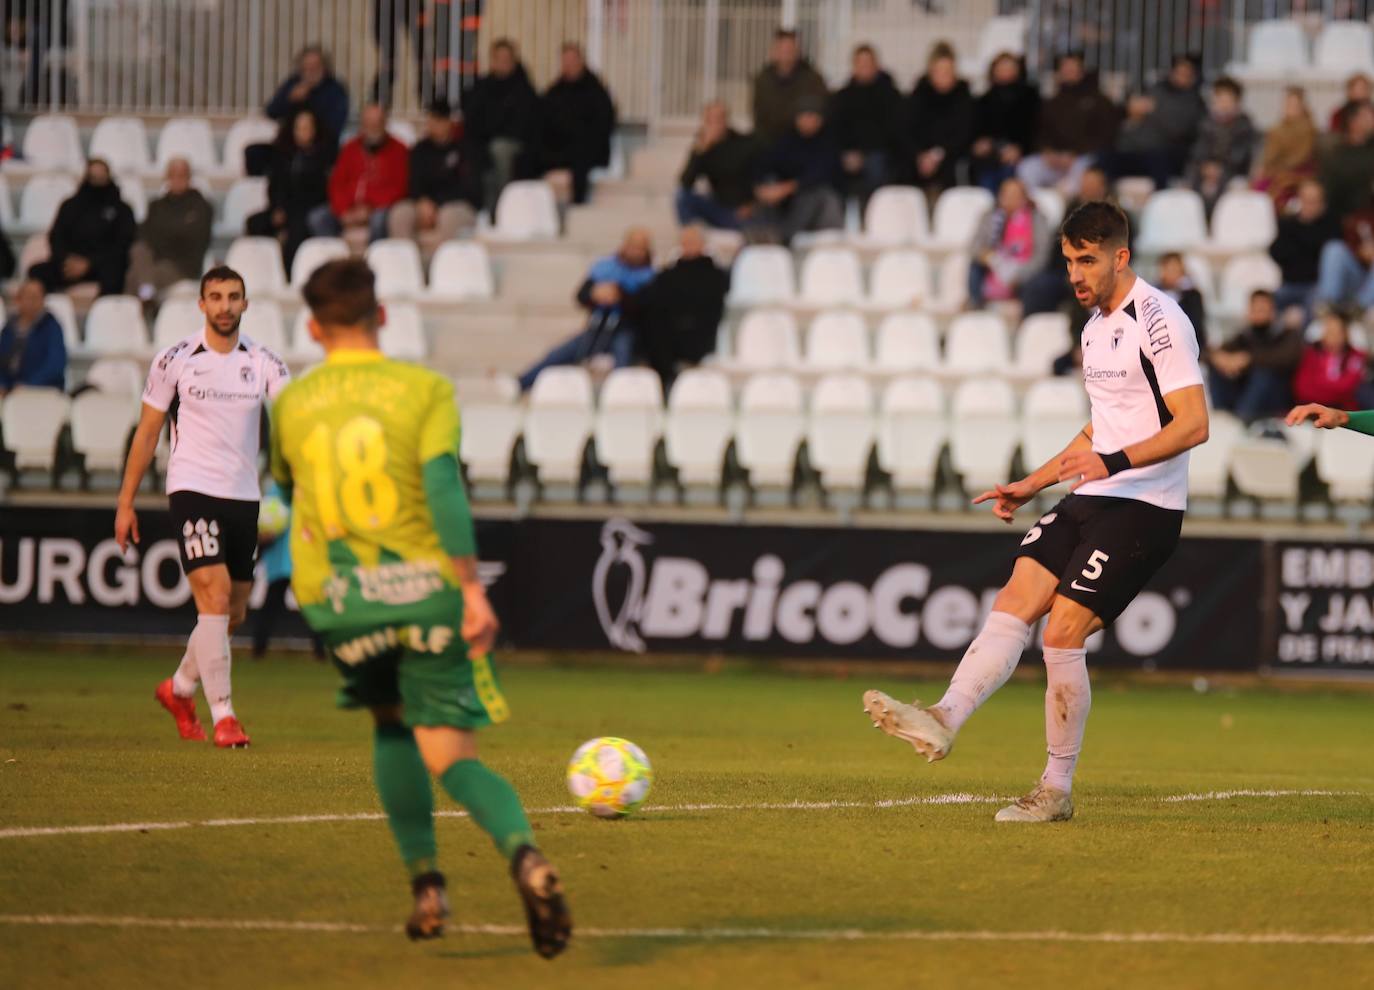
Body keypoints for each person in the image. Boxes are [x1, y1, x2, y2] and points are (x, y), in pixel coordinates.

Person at [864, 201, 1208, 823]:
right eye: (1069, 260)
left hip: (1146, 505)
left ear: (1120, 257)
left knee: (1062, 633)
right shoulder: (1093, 327)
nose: (1076, 274)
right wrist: (1031, 483)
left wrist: (1115, 461)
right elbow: (1098, 428)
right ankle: (944, 718)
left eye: (1088, 260)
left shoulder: (1160, 319)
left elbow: (1194, 424)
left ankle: (1054, 789)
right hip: (1096, 494)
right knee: (1015, 599)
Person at [268, 258, 571, 952]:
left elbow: (286, 491)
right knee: (452, 752)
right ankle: (525, 856)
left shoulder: (289, 404)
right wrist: (470, 588)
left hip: (339, 602)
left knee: (389, 724)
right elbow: (443, 490)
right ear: (381, 316)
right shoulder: (424, 389)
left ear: (313, 328)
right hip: (423, 592)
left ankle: (426, 885)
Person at [114, 266, 291, 749]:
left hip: (243, 496)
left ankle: (179, 688)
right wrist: (125, 502)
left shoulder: (265, 362)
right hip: (191, 488)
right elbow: (148, 433)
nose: (225, 306)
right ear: (201, 304)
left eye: (234, 297)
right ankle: (225, 716)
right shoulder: (175, 359)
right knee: (211, 600)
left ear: (246, 304)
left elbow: (294, 421)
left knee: (231, 615)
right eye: (216, 297)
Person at [517, 229, 655, 391]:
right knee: (559, 354)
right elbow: (581, 295)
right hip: (597, 328)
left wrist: (619, 295)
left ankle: (617, 397)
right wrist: (595, 294)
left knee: (622, 358)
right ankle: (520, 383)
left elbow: (646, 307)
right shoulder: (604, 267)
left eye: (640, 248)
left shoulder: (650, 276)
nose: (635, 252)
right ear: (624, 245)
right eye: (633, 247)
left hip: (627, 331)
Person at [627, 226, 731, 389]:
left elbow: (711, 308)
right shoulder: (669, 272)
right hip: (667, 330)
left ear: (702, 245)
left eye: (692, 242)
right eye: (685, 242)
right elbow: (647, 296)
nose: (688, 246)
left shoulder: (714, 274)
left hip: (697, 331)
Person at [29, 158, 136, 297]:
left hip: (102, 266)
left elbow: (122, 245)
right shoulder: (70, 206)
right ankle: (51, 312)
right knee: (37, 271)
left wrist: (90, 263)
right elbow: (56, 237)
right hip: (69, 265)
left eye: (101, 175)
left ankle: (103, 314)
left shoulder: (122, 209)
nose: (97, 179)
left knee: (116, 271)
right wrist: (66, 260)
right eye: (93, 176)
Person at [246, 108, 334, 273]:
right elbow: (274, 187)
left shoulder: (323, 158)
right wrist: (277, 208)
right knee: (255, 222)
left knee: (297, 231)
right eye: (299, 128)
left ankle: (288, 275)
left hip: (305, 211)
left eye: (307, 128)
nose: (303, 132)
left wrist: (288, 211)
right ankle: (259, 270)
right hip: (282, 209)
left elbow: (320, 194)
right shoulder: (283, 156)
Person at [388, 100, 478, 260]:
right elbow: (413, 182)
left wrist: (436, 204)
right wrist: (421, 201)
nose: (432, 125)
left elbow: (469, 188)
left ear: (448, 122)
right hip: (425, 205)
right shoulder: (420, 150)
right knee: (400, 213)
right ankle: (409, 265)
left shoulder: (465, 149)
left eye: (437, 120)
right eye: (430, 120)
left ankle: (441, 266)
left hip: (457, 206)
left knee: (448, 216)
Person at [1018, 53, 1118, 197]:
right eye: (1065, 67)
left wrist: (1074, 155)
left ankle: (1071, 209)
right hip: (1053, 160)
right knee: (1027, 167)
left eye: (1073, 67)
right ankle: (1036, 208)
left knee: (1083, 168)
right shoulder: (1051, 102)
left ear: (1081, 70)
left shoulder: (1099, 101)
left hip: (1082, 158)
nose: (1068, 71)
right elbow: (1040, 132)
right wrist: (1048, 152)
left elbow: (1105, 135)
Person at [463, 39, 541, 214]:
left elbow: (526, 126)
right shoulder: (481, 87)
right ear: (492, 60)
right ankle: (477, 210)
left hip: (515, 144)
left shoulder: (524, 89)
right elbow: (472, 121)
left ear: (514, 60)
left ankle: (503, 208)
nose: (502, 62)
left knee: (500, 150)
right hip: (484, 142)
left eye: (506, 58)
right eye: (499, 58)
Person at [750, 99, 844, 245]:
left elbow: (819, 176)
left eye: (812, 116)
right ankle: (760, 234)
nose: (808, 121)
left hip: (819, 203)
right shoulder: (788, 140)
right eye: (804, 116)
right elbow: (766, 163)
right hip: (789, 199)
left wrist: (785, 189)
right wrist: (762, 188)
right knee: (769, 184)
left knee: (814, 194)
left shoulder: (828, 142)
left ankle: (783, 237)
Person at [1022, 166, 1112, 317]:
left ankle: (1081, 335)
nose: (1087, 188)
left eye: (1092, 184)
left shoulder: (1115, 216)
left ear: (1102, 187)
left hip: (1096, 272)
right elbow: (1059, 245)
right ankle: (1037, 329)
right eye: (1085, 184)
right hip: (1064, 270)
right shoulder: (1073, 209)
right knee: (1036, 286)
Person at [315, 104, 410, 244]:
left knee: (378, 220)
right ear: (362, 125)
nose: (373, 127)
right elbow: (336, 184)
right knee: (318, 218)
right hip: (349, 207)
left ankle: (372, 262)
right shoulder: (350, 148)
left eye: (377, 123)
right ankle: (337, 260)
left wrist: (369, 208)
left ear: (385, 124)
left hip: (379, 208)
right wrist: (344, 211)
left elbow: (400, 188)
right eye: (369, 123)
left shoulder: (399, 149)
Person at [125, 158, 214, 303]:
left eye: (182, 175)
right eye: (173, 175)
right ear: (167, 178)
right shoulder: (156, 205)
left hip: (182, 265)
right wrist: (173, 234)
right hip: (155, 259)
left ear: (189, 177)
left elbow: (196, 239)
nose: (177, 179)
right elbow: (144, 234)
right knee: (138, 250)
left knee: (133, 278)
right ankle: (147, 298)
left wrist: (165, 236)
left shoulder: (201, 206)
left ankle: (143, 305)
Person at [1207, 289, 1302, 423]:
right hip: (1244, 394)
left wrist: (1248, 359)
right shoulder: (1245, 336)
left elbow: (1287, 358)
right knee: (1218, 368)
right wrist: (1219, 358)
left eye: (1262, 309)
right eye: (1255, 309)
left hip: (1278, 399)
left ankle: (1243, 420)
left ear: (1273, 311)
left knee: (1263, 375)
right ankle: (1222, 418)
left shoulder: (1287, 334)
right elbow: (1210, 352)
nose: (1258, 314)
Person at [539, 43, 616, 205]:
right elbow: (543, 123)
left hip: (588, 148)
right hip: (559, 148)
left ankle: (578, 205)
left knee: (580, 154)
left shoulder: (596, 91)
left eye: (572, 60)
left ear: (581, 61)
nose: (569, 65)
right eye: (565, 61)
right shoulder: (554, 92)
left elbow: (604, 125)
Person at [830, 44, 904, 207]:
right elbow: (836, 129)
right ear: (854, 66)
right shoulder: (842, 97)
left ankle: (874, 213)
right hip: (849, 153)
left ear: (876, 65)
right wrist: (848, 152)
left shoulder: (890, 95)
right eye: (860, 63)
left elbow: (892, 131)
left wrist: (863, 154)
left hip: (879, 152)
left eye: (868, 63)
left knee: (877, 165)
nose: (864, 68)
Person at [967, 176, 1051, 309]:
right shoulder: (989, 217)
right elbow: (974, 247)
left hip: (1024, 272)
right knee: (974, 268)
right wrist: (989, 258)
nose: (1009, 199)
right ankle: (976, 307)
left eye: (1015, 195)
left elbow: (1041, 256)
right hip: (993, 268)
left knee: (1039, 281)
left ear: (1024, 198)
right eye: (1006, 194)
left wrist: (1019, 275)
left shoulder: (1038, 219)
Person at [904, 41, 974, 199]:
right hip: (919, 157)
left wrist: (936, 155)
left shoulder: (963, 96)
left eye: (948, 71)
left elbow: (963, 133)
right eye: (939, 71)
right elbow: (906, 131)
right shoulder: (919, 94)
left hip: (950, 155)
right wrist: (920, 155)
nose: (943, 77)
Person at [676, 101, 758, 230]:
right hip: (718, 207)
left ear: (726, 120)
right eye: (710, 120)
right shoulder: (704, 147)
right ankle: (691, 239)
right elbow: (686, 182)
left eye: (719, 119)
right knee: (681, 196)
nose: (715, 124)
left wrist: (752, 204)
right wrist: (701, 150)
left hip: (744, 210)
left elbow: (759, 178)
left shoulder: (744, 143)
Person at [1186, 77, 1257, 217]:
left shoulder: (1244, 124)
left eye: (1227, 99)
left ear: (1236, 101)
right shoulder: (1206, 123)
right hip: (1205, 169)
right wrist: (1205, 166)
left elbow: (1241, 153)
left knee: (1222, 185)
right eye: (1220, 99)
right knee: (1192, 180)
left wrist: (1219, 168)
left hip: (1232, 169)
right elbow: (1199, 150)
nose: (1223, 104)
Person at [969, 52, 1040, 191]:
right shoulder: (984, 100)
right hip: (992, 155)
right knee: (984, 173)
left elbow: (1034, 129)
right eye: (1001, 68)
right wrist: (980, 143)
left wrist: (1020, 149)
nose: (1005, 72)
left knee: (1010, 172)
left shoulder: (1030, 97)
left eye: (1010, 67)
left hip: (1021, 153)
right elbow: (976, 131)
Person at [1271, 179, 1341, 320]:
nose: (1310, 205)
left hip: (1315, 286)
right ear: (1299, 200)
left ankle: (1305, 341)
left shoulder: (1330, 224)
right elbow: (1276, 252)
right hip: (1290, 285)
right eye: (1306, 200)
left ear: (1322, 203)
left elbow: (1322, 255)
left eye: (1314, 201)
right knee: (1267, 303)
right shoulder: (1287, 224)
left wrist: (1299, 247)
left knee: (1313, 304)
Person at [265, 45, 349, 153]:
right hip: (290, 145)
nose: (310, 70)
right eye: (306, 67)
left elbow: (335, 124)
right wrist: (290, 99)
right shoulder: (293, 83)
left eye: (315, 66)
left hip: (321, 145)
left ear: (324, 68)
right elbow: (271, 112)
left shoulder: (335, 89)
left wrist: (309, 129)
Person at [751, 29, 828, 146]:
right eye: (782, 50)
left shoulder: (813, 79)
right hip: (770, 142)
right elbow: (759, 116)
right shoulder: (762, 80)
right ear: (774, 51)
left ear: (797, 51)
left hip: (805, 143)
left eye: (790, 49)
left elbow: (820, 111)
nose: (786, 54)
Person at [1253, 87, 1318, 210]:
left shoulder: (1308, 131)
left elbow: (1303, 159)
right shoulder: (1276, 131)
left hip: (1298, 176)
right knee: (1258, 189)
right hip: (1275, 173)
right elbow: (1268, 157)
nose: (1291, 109)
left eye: (1295, 105)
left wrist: (1283, 172)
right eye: (1288, 104)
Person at [0, 278, 66, 395]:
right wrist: (3, 384)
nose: (32, 302)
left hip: (42, 389)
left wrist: (30, 385)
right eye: (28, 297)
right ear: (18, 300)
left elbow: (55, 364)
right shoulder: (9, 328)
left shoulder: (52, 327)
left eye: (37, 297)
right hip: (9, 389)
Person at [1292, 309, 1367, 411]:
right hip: (1312, 409)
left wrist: (1320, 384)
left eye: (1337, 332)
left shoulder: (1356, 356)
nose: (1333, 336)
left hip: (1344, 412)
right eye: (1329, 331)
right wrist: (1332, 389)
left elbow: (1348, 387)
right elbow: (1302, 388)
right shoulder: (1311, 353)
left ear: (1346, 334)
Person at [1315, 189, 1374, 313]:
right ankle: (1328, 306)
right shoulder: (1364, 216)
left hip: (1368, 295)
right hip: (1359, 275)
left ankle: (1359, 309)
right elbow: (1349, 242)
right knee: (1333, 248)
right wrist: (1360, 252)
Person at [1318, 101, 1374, 222]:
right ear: (1353, 121)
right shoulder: (1336, 154)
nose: (1372, 119)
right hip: (1344, 216)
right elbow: (1329, 190)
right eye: (1368, 116)